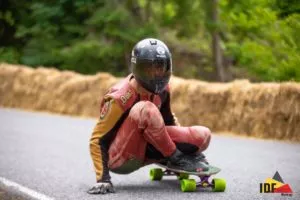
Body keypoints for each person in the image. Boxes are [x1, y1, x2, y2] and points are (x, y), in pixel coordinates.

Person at [88, 38, 214, 194]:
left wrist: (190, 149)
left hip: (149, 150)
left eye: (161, 68)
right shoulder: (120, 97)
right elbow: (97, 139)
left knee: (203, 135)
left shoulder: (164, 90)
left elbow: (168, 122)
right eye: (150, 69)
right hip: (121, 157)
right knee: (145, 110)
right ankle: (174, 157)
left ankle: (173, 156)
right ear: (138, 67)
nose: (157, 74)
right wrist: (103, 179)